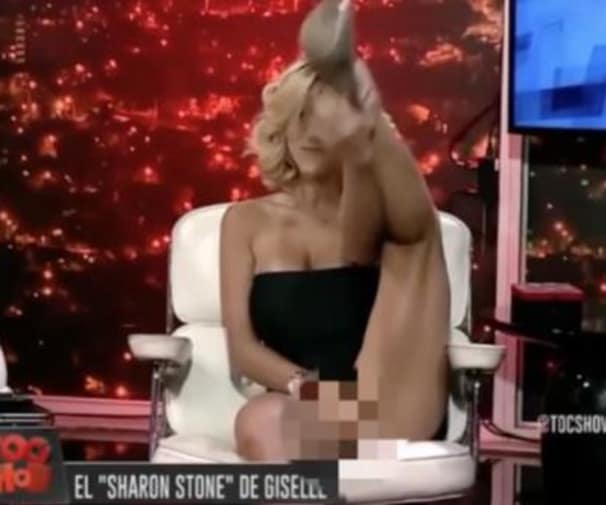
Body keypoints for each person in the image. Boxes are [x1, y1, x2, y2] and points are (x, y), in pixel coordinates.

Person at [219, 57, 450, 461]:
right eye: (299, 117)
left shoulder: (378, 219)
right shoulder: (243, 222)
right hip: (300, 400)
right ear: (281, 128)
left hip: (382, 408)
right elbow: (242, 346)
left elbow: (410, 214)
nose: (309, 134)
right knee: (263, 419)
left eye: (324, 122)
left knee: (265, 420)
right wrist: (309, 389)